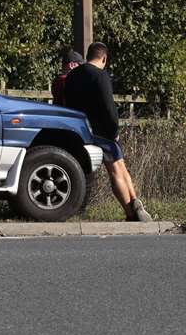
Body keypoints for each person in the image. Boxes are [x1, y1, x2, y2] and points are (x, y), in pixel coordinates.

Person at [64, 42, 152, 222]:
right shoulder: (100, 75)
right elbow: (109, 107)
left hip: (79, 129)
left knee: (118, 168)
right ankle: (131, 210)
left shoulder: (72, 76)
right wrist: (114, 131)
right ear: (104, 58)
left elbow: (67, 102)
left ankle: (135, 203)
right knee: (117, 169)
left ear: (88, 55)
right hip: (101, 131)